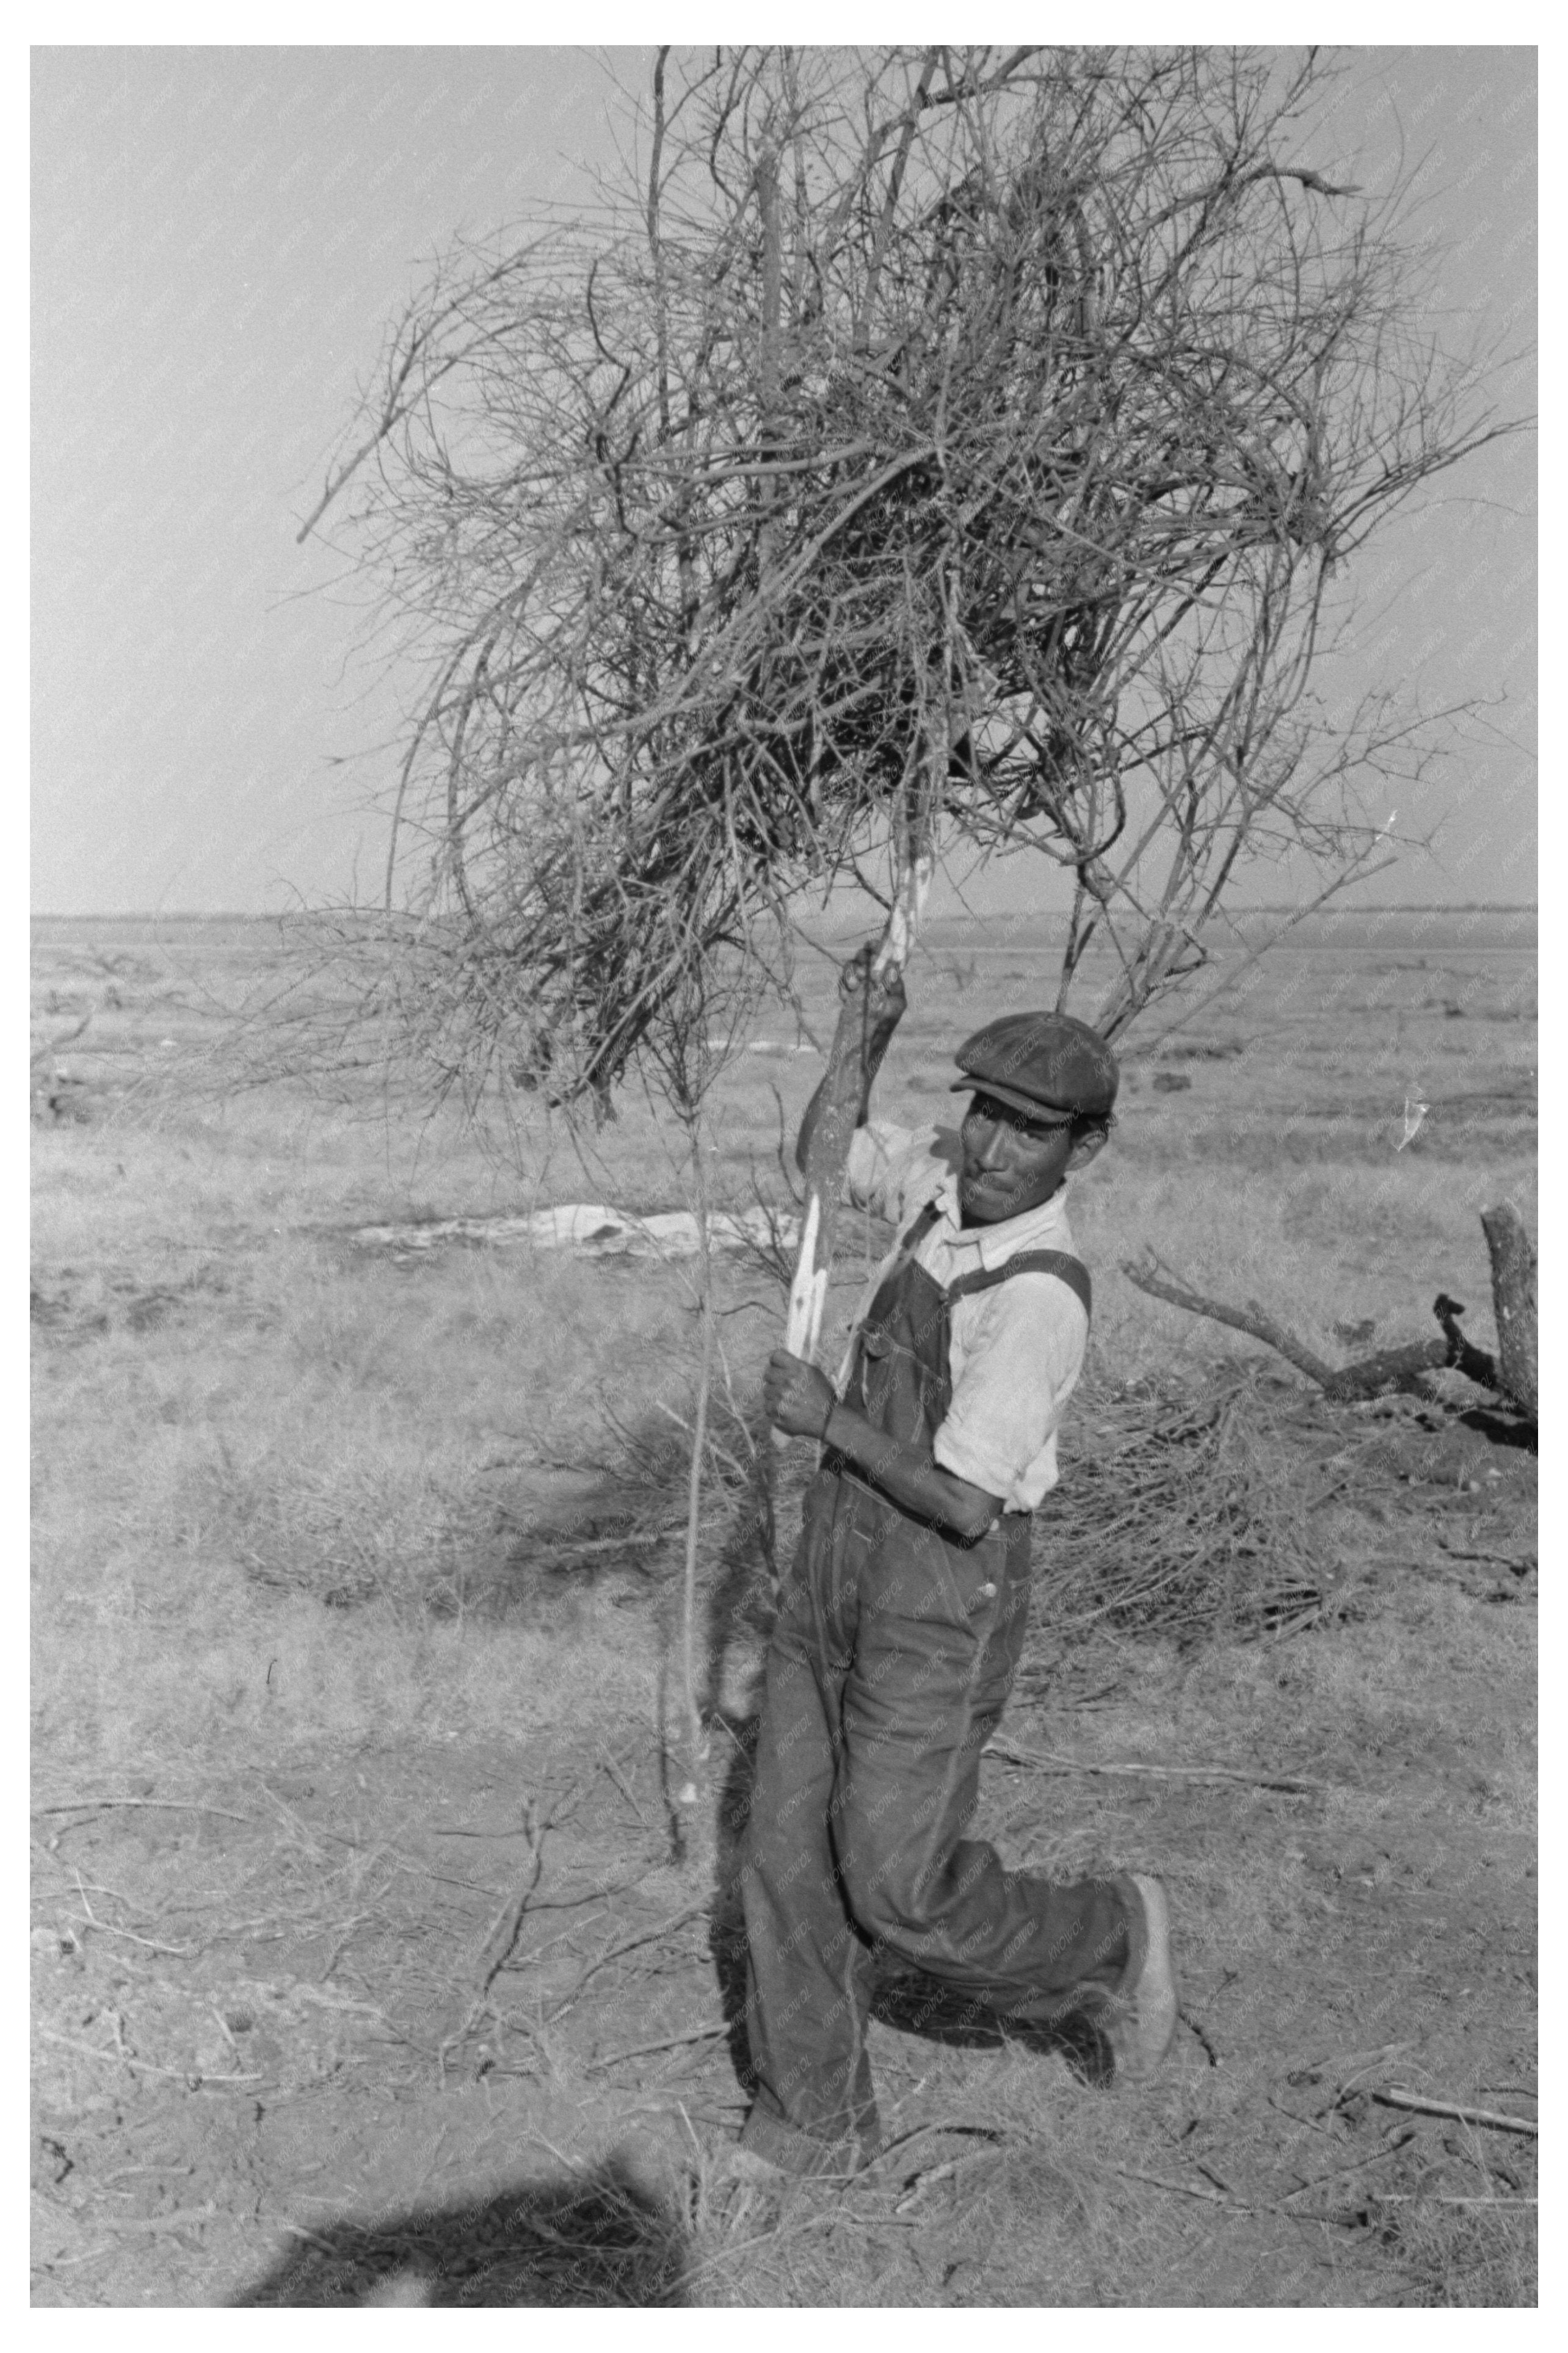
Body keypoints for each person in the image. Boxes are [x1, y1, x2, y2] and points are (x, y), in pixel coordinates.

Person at [736, 948, 1177, 2178]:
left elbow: (967, 1500)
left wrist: (828, 1420)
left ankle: (1107, 1934)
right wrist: (859, 1033)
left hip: (941, 1594)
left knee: (896, 1888)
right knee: (782, 1849)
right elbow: (823, 1157)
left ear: (1079, 1150)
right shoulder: (939, 1186)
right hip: (838, 1563)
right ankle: (810, 2120)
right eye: (983, 1114)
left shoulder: (1041, 1297)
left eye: (1028, 1133)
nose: (988, 1150)